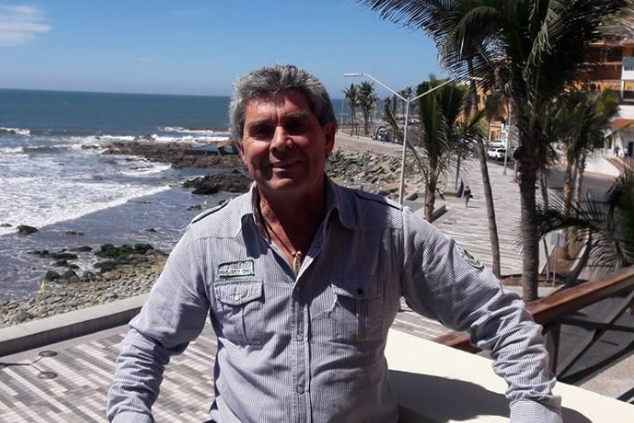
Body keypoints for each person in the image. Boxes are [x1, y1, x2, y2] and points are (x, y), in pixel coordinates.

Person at [107, 65, 561, 422]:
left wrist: (533, 408)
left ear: (327, 138)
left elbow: (501, 318)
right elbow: (147, 344)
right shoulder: (209, 240)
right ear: (241, 151)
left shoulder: (390, 231)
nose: (280, 143)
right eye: (261, 131)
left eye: (295, 125)